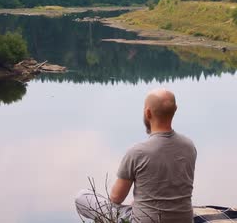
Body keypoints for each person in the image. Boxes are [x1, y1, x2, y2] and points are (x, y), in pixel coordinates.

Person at [75, 89, 197, 223]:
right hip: (184, 219)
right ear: (175, 109)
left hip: (143, 220)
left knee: (82, 197)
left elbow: (116, 198)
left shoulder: (137, 152)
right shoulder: (189, 146)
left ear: (148, 113)